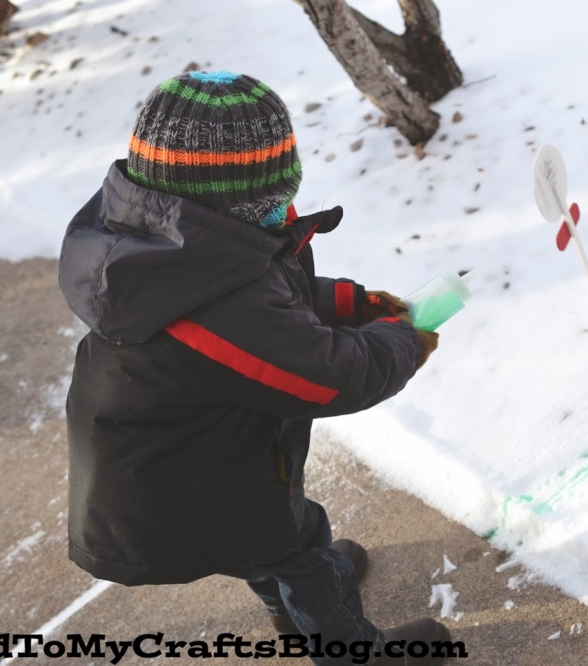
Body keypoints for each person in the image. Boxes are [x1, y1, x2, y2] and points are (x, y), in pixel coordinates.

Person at [58, 71, 448, 665]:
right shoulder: (210, 303)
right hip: (193, 489)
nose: (286, 211)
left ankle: (292, 609)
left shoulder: (167, 248)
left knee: (269, 545)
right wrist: (403, 338)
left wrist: (352, 303)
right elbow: (330, 375)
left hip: (184, 461)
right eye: (276, 198)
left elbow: (271, 299)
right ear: (246, 199)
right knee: (299, 548)